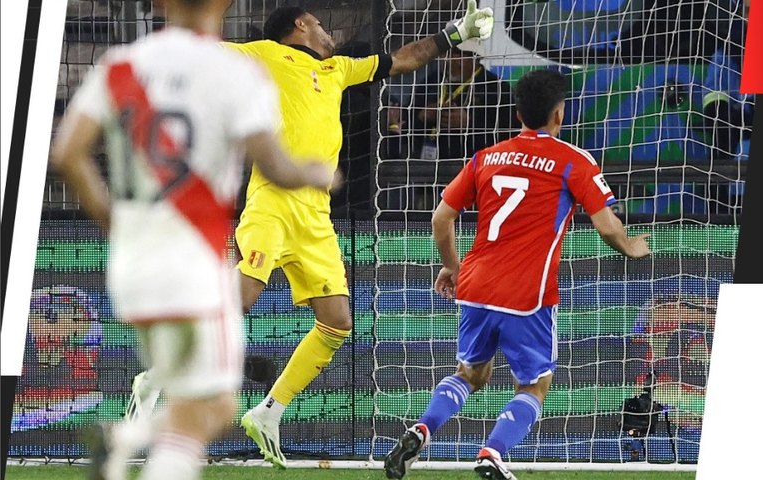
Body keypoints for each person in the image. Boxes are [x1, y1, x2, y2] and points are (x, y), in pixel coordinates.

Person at [49, 0, 334, 479]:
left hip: (132, 264)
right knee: (210, 410)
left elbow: (68, 153)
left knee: (202, 402)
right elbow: (277, 166)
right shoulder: (233, 72)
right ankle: (126, 440)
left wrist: (115, 223)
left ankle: (125, 439)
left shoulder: (121, 64)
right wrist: (318, 171)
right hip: (193, 263)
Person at [217, 0, 494, 469]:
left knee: (338, 322)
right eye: (321, 24)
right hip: (273, 200)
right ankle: (167, 370)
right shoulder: (264, 54)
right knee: (242, 299)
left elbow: (402, 59)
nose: (329, 33)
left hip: (316, 216)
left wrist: (453, 34)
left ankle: (268, 412)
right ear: (300, 25)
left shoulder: (339, 68)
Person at [383, 69, 652, 480]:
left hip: (474, 285)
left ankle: (422, 429)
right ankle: (491, 453)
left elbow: (441, 221)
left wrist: (454, 269)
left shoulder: (486, 157)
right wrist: (632, 246)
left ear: (517, 112)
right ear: (558, 115)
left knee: (470, 373)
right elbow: (607, 225)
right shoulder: (573, 161)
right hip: (527, 293)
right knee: (534, 384)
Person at [385, 46, 519, 164]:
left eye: (457, 54)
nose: (450, 60)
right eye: (446, 54)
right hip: (428, 173)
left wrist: (470, 125)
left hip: (474, 169)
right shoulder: (431, 83)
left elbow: (510, 135)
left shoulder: (496, 88)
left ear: (475, 57)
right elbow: (406, 128)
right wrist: (421, 116)